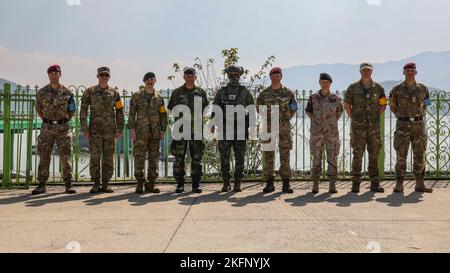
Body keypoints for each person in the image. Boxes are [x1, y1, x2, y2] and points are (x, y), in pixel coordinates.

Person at [32, 64, 77, 195]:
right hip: (47, 128)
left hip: (63, 127)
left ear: (60, 74)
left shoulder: (68, 92)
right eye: (51, 73)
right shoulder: (41, 92)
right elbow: (38, 109)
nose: (53, 75)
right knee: (44, 155)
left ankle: (69, 184)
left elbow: (72, 110)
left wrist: (63, 120)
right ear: (48, 75)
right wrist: (48, 120)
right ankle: (41, 185)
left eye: (56, 73)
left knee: (66, 156)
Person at [389, 62, 433, 193]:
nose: (410, 72)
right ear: (403, 72)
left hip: (418, 126)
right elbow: (391, 105)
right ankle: (399, 184)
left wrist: (418, 115)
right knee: (401, 155)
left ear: (416, 72)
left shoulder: (423, 89)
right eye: (407, 70)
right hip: (402, 126)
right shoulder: (396, 90)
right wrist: (400, 115)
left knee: (419, 154)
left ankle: (419, 183)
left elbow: (427, 104)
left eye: (412, 70)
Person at [80, 67, 124, 194]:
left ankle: (106, 184)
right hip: (95, 131)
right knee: (95, 157)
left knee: (108, 158)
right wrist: (84, 129)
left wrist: (119, 128)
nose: (104, 77)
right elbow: (83, 110)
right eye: (101, 75)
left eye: (106, 75)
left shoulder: (114, 93)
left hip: (110, 131)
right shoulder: (90, 92)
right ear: (97, 76)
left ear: (109, 77)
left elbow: (119, 111)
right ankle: (95, 184)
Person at [344, 63, 387, 193]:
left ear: (372, 72)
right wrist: (355, 118)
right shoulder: (352, 88)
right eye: (364, 70)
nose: (366, 72)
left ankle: (374, 184)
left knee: (374, 155)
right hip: (358, 128)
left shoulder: (378, 88)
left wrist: (373, 118)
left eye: (368, 70)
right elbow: (346, 104)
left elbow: (383, 105)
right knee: (357, 154)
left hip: (373, 128)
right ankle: (355, 183)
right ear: (360, 72)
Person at [128, 72, 168, 194]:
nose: (150, 81)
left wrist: (163, 130)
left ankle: (151, 183)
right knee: (139, 157)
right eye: (148, 80)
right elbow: (131, 114)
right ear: (144, 81)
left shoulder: (159, 97)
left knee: (154, 158)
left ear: (155, 80)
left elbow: (163, 115)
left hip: (155, 133)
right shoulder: (136, 96)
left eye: (152, 79)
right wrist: (132, 129)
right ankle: (140, 183)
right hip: (141, 132)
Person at [306, 73, 344, 194]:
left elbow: (339, 111)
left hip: (331, 133)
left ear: (330, 84)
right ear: (319, 82)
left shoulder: (336, 98)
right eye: (323, 82)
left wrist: (330, 122)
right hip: (316, 133)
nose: (325, 84)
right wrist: (317, 122)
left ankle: (332, 184)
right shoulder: (313, 97)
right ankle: (315, 184)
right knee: (316, 158)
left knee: (332, 158)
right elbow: (309, 111)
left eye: (327, 82)